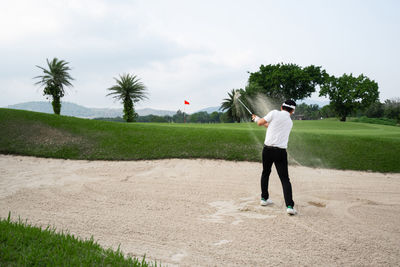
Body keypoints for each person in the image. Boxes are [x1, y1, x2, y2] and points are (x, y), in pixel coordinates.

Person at [251, 100, 297, 215]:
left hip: (267, 150)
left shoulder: (274, 113)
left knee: (266, 173)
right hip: (280, 152)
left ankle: (264, 199)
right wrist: (258, 119)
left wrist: (256, 118)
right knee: (285, 179)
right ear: (292, 111)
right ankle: (290, 206)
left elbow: (261, 123)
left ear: (282, 107)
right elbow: (270, 126)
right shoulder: (290, 122)